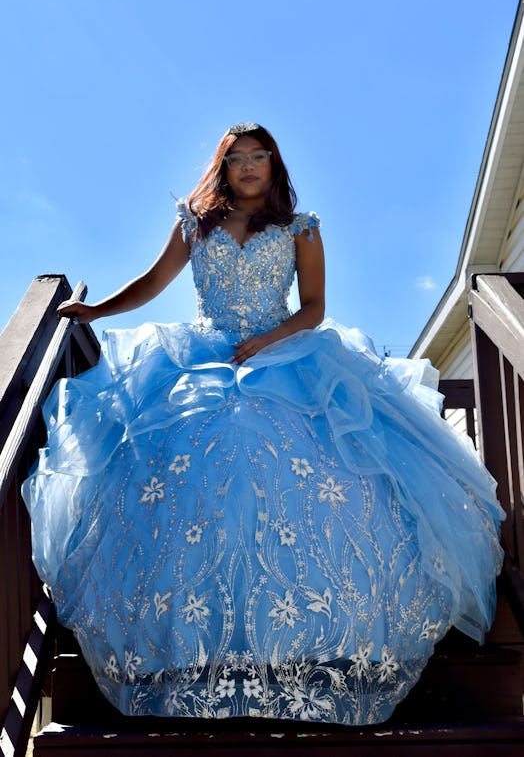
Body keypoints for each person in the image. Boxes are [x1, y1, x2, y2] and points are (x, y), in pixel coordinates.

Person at [23, 122, 505, 725]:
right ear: (222, 168)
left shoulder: (301, 229)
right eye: (237, 159)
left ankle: (309, 641)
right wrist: (95, 309)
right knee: (193, 462)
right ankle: (194, 642)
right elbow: (152, 283)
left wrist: (266, 341)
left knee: (311, 472)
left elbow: (314, 307)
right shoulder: (194, 226)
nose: (249, 167)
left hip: (283, 355)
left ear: (275, 167)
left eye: (260, 157)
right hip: (202, 358)